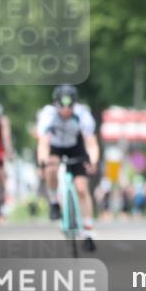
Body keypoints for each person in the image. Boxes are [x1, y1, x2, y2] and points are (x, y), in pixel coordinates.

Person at [36, 85, 100, 251]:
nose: (65, 110)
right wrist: (42, 162)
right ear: (55, 104)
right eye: (62, 106)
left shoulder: (82, 114)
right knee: (51, 168)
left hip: (75, 146)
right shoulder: (48, 115)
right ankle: (54, 202)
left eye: (69, 106)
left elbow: (91, 143)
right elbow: (43, 142)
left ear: (75, 104)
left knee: (82, 188)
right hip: (55, 147)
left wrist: (93, 161)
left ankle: (88, 232)